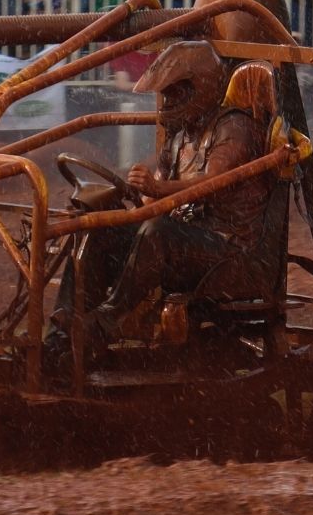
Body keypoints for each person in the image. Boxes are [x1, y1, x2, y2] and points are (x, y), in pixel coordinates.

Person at [49, 42, 280, 363]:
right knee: (97, 232)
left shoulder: (235, 128)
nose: (168, 103)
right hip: (186, 245)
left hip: (232, 253)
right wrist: (106, 209)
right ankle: (62, 330)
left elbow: (212, 184)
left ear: (200, 87)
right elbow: (147, 203)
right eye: (167, 94)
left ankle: (102, 326)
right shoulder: (180, 138)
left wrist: (158, 189)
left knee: (157, 232)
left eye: (175, 94)